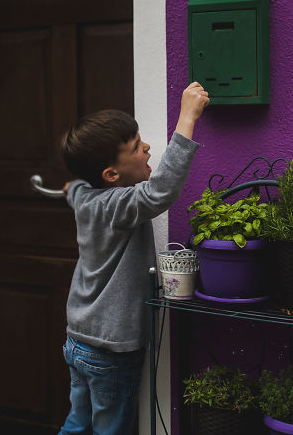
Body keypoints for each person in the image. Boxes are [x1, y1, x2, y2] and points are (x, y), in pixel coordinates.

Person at [57, 81, 210, 435]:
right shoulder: (117, 206)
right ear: (111, 175)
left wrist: (70, 188)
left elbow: (76, 188)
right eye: (136, 147)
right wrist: (187, 118)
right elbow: (161, 191)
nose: (147, 148)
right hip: (111, 351)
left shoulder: (85, 198)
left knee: (77, 424)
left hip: (78, 340)